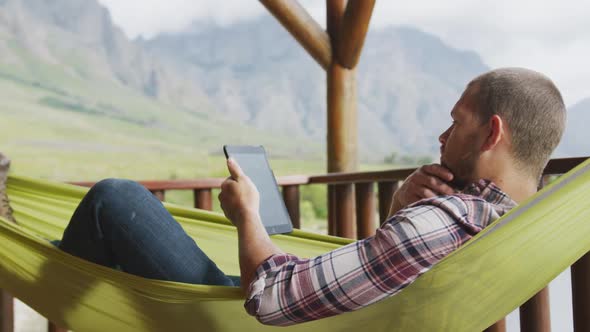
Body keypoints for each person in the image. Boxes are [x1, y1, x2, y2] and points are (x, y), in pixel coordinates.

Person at [57, 67, 566, 326]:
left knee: (114, 199)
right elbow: (386, 278)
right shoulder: (522, 222)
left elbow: (271, 298)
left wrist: (246, 215)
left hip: (259, 323)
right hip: (330, 314)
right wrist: (398, 216)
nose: (441, 137)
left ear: (491, 133)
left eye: (456, 122)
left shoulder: (444, 221)